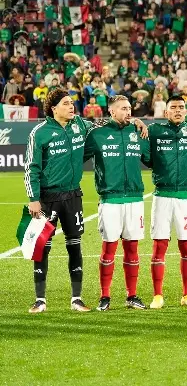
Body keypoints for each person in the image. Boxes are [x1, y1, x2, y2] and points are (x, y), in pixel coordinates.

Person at [24, 89, 93, 313]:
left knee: (75, 246)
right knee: (42, 248)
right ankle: (40, 300)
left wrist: (137, 122)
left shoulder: (80, 125)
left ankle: (77, 299)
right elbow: (31, 168)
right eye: (66, 103)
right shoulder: (40, 132)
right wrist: (33, 199)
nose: (71, 106)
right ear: (54, 109)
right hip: (47, 199)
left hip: (73, 195)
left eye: (72, 103)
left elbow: (103, 126)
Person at [83, 95, 150, 311]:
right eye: (123, 108)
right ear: (112, 111)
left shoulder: (137, 132)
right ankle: (105, 297)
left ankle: (132, 296)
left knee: (132, 249)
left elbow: (149, 158)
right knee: (109, 248)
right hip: (110, 200)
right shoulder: (97, 134)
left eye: (129, 108)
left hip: (134, 199)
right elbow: (78, 158)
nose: (128, 112)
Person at [146, 95, 187, 309]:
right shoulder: (154, 131)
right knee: (159, 245)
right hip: (162, 195)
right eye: (173, 108)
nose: (178, 110)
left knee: (186, 246)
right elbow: (145, 155)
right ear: (166, 112)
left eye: (182, 107)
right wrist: (136, 122)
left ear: (186, 110)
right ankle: (157, 295)